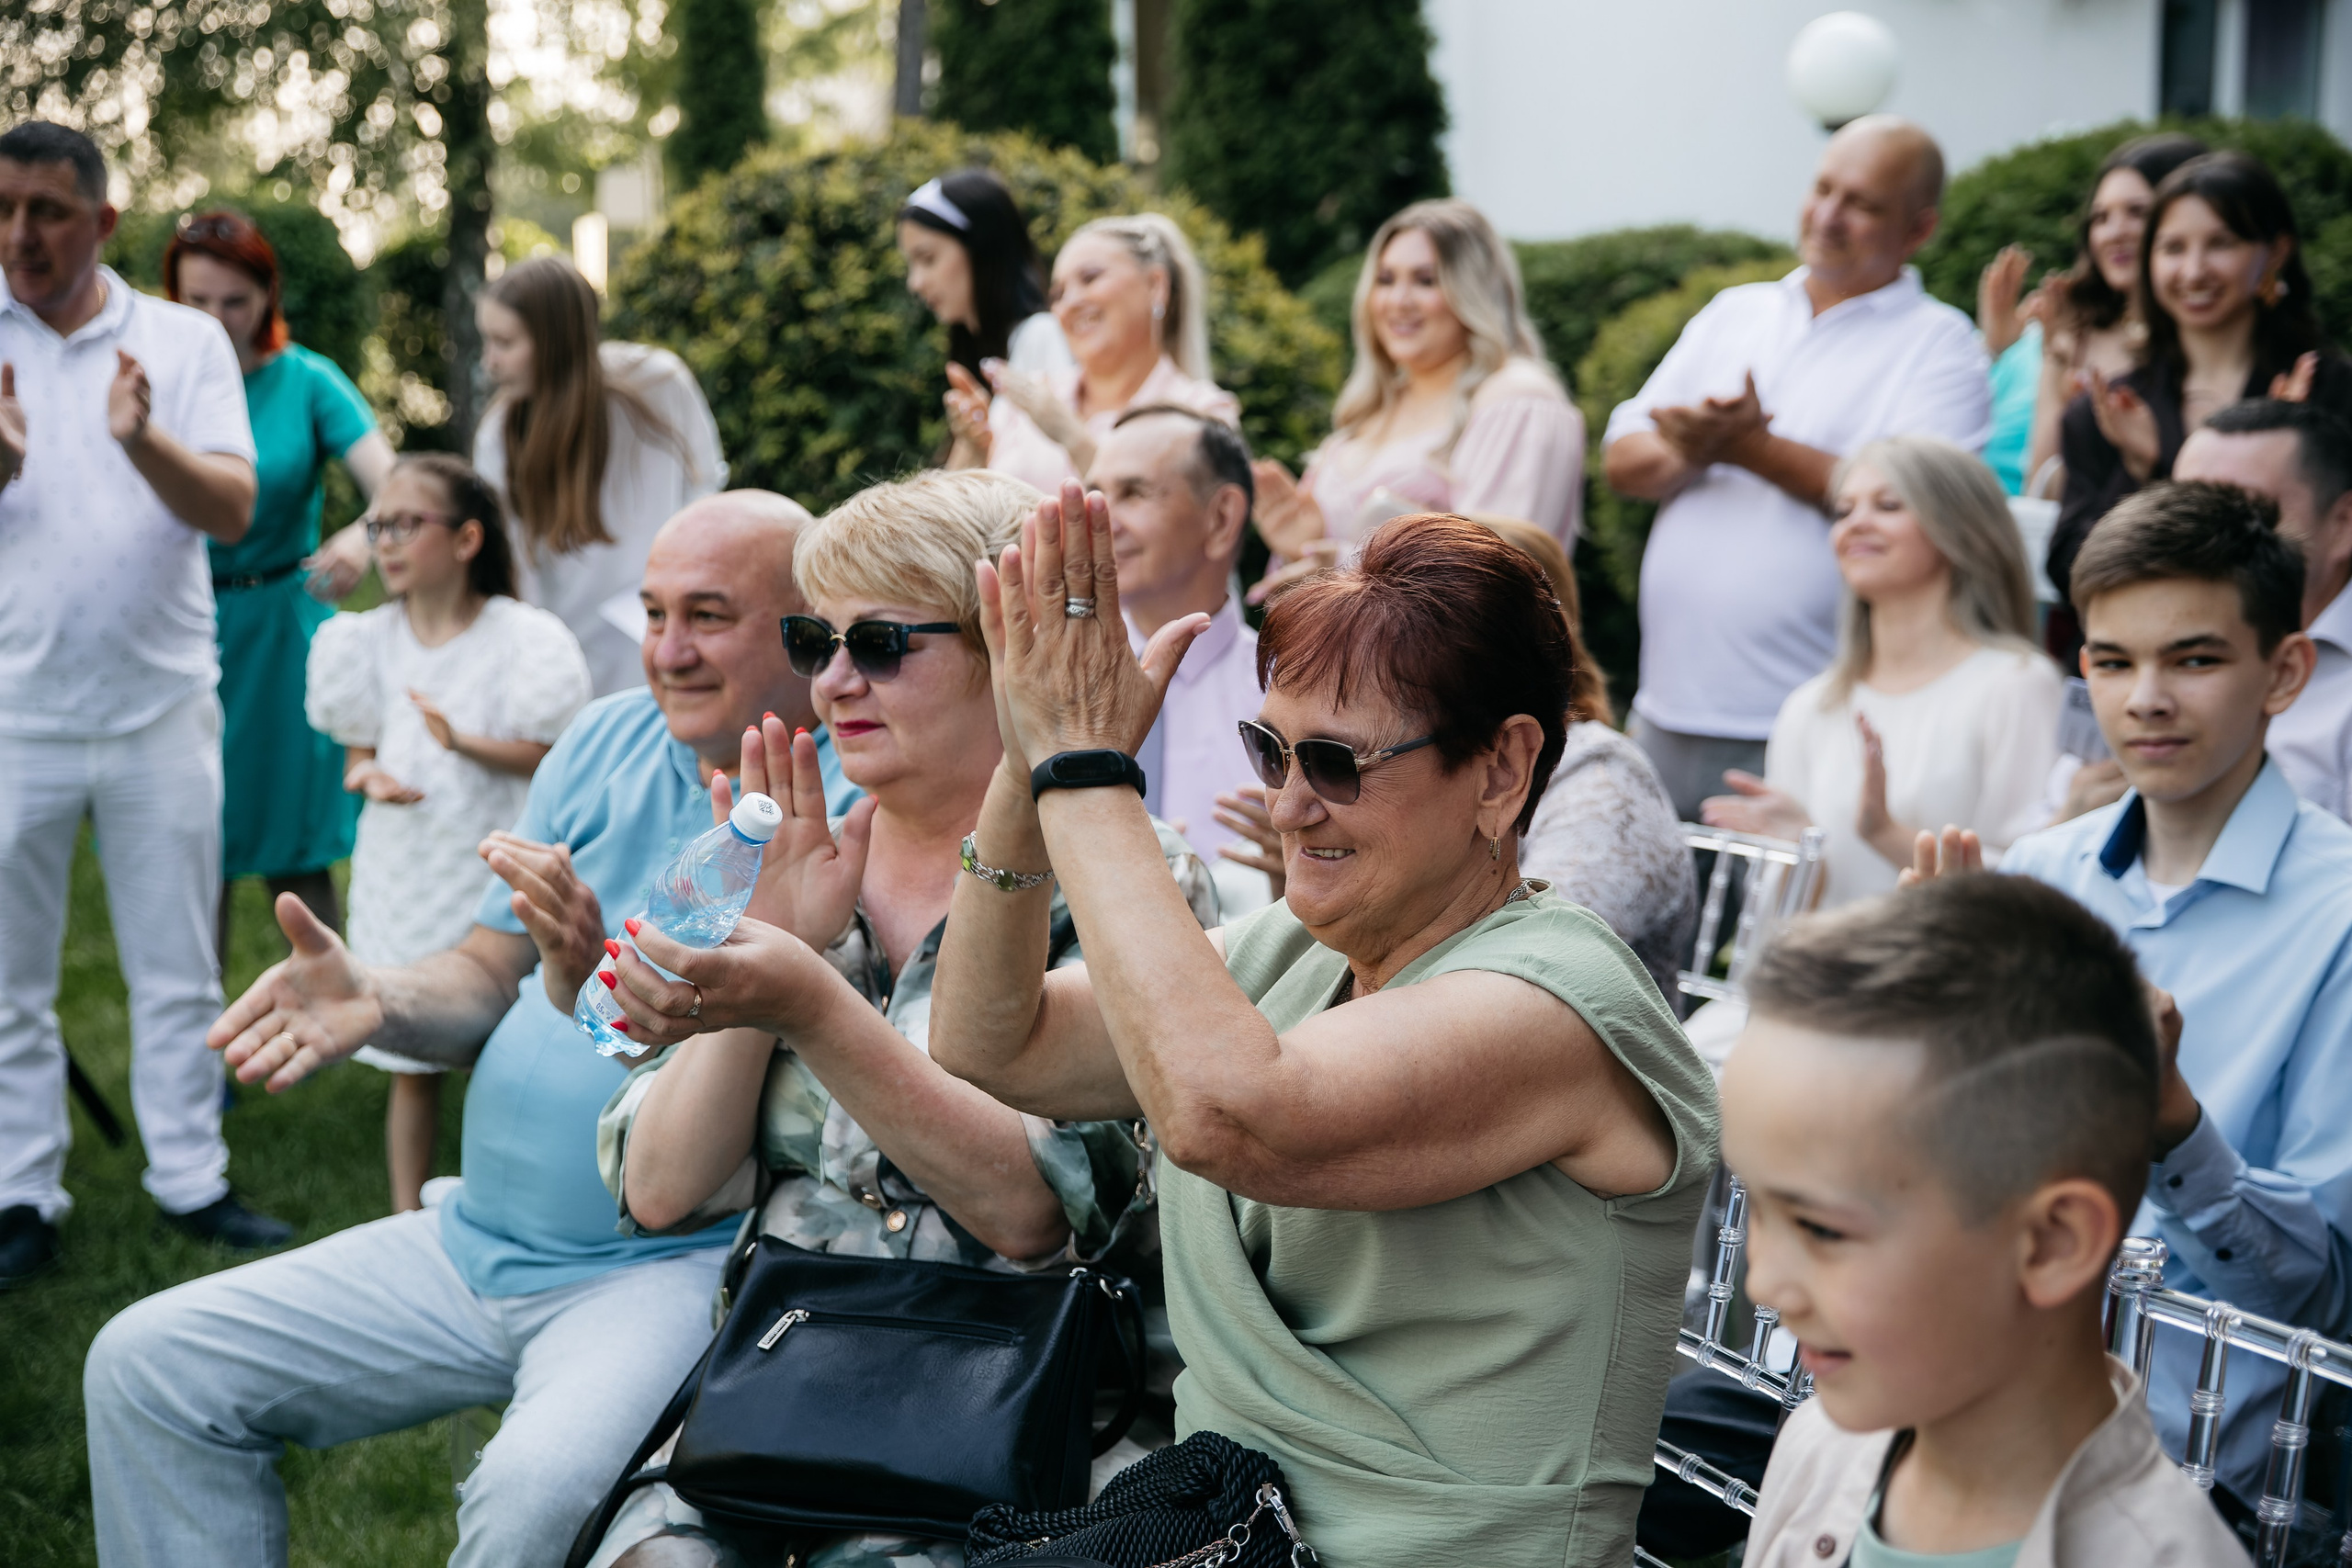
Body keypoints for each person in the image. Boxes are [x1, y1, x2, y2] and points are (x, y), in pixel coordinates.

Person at [920, 497, 1712, 1564]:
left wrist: (1087, 770)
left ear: (1500, 771)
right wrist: (1028, 766)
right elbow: (991, 1039)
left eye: (1335, 763)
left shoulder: (1554, 1002)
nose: (1288, 805)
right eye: (1270, 751)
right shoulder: (1293, 949)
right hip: (1212, 1537)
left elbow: (1229, 1117)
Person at [83, 491, 850, 1568]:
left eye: (707, 617)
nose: (666, 650)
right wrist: (378, 998)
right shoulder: (605, 738)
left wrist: (590, 982)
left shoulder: (840, 805)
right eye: (652, 613)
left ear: (806, 635)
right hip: (469, 1236)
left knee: (534, 1499)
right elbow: (487, 974)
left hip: (664, 1271)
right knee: (146, 1365)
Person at [580, 469, 1216, 1568]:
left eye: (877, 644)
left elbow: (1032, 1212)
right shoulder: (785, 850)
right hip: (781, 1400)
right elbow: (659, 1188)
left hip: (1023, 1423)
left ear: (1008, 653)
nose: (831, 682)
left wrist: (810, 999)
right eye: (811, 641)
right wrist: (769, 942)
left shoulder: (1128, 879)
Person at [1929, 480, 2352, 1509]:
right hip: (1965, 1387)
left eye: (2194, 659)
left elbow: (2327, 1299)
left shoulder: (2339, 916)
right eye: (2113, 661)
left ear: (2284, 671)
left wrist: (2173, 1127)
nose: (2146, 699)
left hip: (2182, 1467)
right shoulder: (2038, 871)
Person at [1727, 875, 2250, 1567]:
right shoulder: (1815, 1449)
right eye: (1756, 1208)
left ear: (2052, 1243)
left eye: (1822, 1229)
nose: (1763, 1284)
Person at [0, 120, 280, 1281]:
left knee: (175, 963)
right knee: (7, 978)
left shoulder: (179, 340)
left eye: (47, 211)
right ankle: (20, 1193)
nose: (21, 234)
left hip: (161, 705)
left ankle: (190, 1176)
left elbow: (231, 510)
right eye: (4, 209)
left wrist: (143, 440)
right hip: (13, 715)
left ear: (104, 221)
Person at [1602, 115, 1992, 822]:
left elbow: (1918, 505)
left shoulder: (1941, 344)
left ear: (1919, 229)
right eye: (1823, 188)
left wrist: (1748, 447)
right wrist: (1702, 444)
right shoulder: (1735, 313)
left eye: (1862, 203)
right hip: (1662, 712)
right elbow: (1623, 459)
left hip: (1808, 725)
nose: (1828, 215)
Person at [305, 454, 592, 1213]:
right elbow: (357, 754)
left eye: (406, 524)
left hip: (489, 858)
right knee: (414, 1054)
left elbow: (547, 752)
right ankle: (406, 1210)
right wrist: (370, 778)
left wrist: (460, 741)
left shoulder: (519, 638)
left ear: (466, 539)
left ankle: (511, 1196)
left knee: (509, 1039)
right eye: (377, 527)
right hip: (407, 864)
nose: (387, 542)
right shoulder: (365, 640)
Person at [163, 209, 395, 956]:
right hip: (180, 623)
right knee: (191, 844)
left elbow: (397, 486)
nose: (217, 320)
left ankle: (335, 998)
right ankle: (197, 1018)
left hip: (283, 632)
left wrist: (362, 535)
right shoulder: (153, 383)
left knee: (296, 844)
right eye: (198, 301)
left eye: (236, 301)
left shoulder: (307, 380)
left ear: (268, 296)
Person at [1702, 437, 2061, 906]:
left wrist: (1885, 833)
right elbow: (1780, 922)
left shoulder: (2018, 686)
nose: (1856, 525)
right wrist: (1801, 861)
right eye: (1843, 510)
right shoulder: (1811, 707)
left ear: (1962, 530)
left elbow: (2035, 887)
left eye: (1888, 505)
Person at [2052, 151, 2352, 613]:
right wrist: (2140, 471)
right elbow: (2070, 567)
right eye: (2173, 248)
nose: (2194, 272)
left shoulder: (2327, 392)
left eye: (2220, 244)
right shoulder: (2107, 409)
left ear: (2276, 251)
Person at [1251, 198, 1583, 574]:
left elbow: (1499, 574)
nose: (1398, 301)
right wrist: (1302, 547)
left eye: (1426, 280)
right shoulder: (1367, 412)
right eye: (1385, 280)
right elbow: (1306, 577)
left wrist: (1342, 564)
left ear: (1474, 291)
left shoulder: (1516, 397)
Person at [474, 255, 727, 697]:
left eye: (505, 342)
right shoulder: (500, 435)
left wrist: (683, 587)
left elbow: (705, 487)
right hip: (564, 659)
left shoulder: (659, 385)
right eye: (487, 340)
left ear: (557, 340)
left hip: (665, 638)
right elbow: (508, 562)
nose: (489, 362)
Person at [1081, 403, 1267, 909]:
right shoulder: (1058, 684)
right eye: (1095, 495)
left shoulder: (1288, 693)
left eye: (1134, 493)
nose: (1099, 520)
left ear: (1221, 519)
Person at [1975, 133, 2209, 495]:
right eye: (2101, 217)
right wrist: (2057, 370)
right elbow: (2041, 490)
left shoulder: (2208, 337)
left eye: (2137, 212)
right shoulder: (2075, 333)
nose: (2115, 233)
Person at [973, 214, 1238, 497]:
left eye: (1090, 278)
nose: (1069, 303)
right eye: (1058, 294)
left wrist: (1072, 438)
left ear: (1155, 285)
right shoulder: (1026, 397)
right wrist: (972, 451)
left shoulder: (1204, 412)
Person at [2175, 400, 2352, 820]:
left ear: (2343, 524)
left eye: (2246, 514)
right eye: (2184, 509)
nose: (2202, 537)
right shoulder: (2133, 644)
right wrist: (2079, 811)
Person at [897, 169, 1074, 469]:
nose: (915, 283)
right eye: (911, 265)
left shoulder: (1040, 336)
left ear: (981, 248)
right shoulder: (977, 359)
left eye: (928, 258)